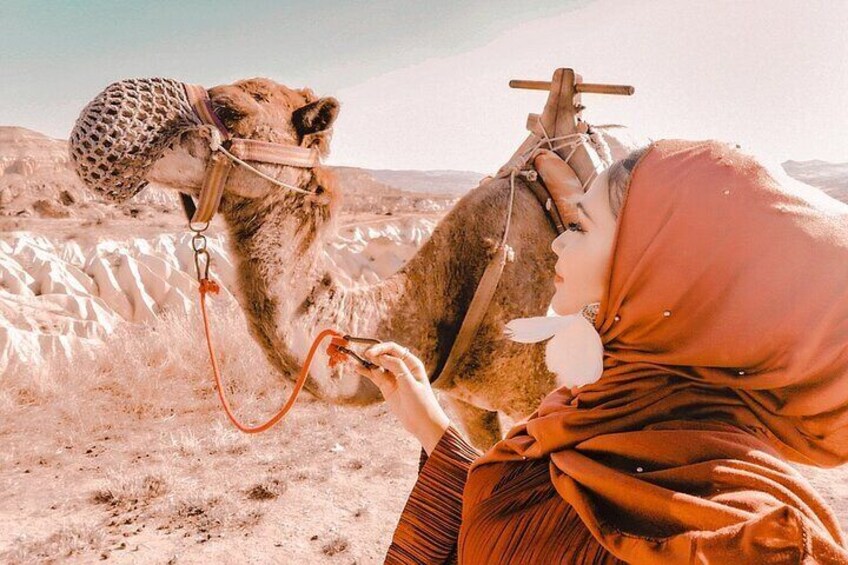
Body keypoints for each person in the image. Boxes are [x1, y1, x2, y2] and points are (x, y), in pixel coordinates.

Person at [354, 139, 848, 564]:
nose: (556, 245)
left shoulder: (745, 536)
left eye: (582, 228)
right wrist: (428, 424)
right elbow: (525, 517)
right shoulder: (600, 415)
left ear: (657, 272)